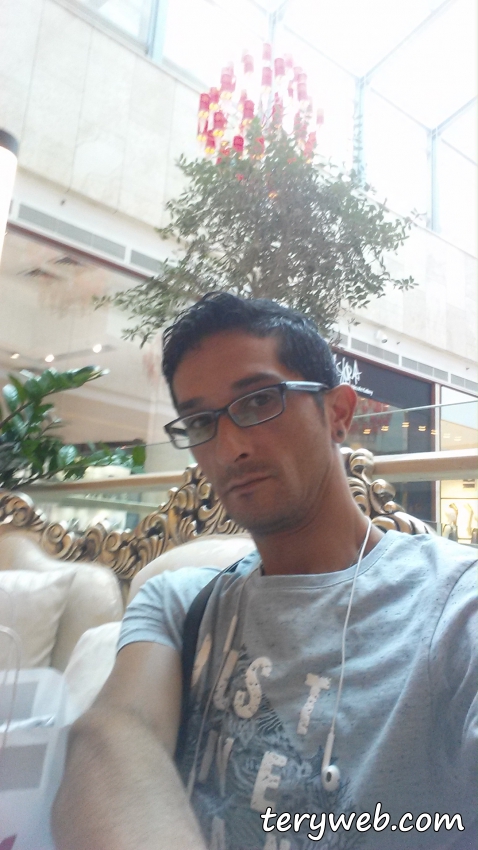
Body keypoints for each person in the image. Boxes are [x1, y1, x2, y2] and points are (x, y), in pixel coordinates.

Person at [52, 293, 477, 850]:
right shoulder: (181, 602)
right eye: (201, 421)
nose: (230, 447)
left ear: (338, 413)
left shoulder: (453, 604)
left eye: (258, 402)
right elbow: (117, 731)